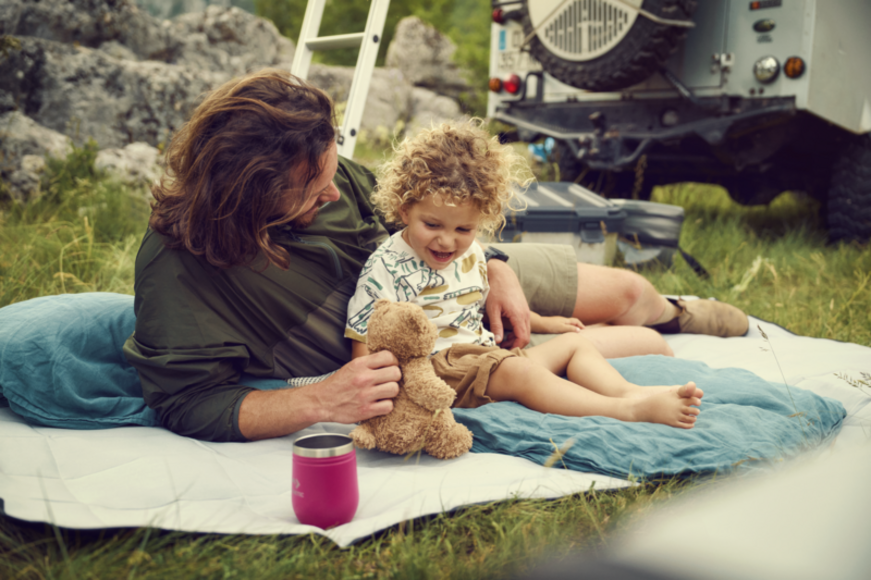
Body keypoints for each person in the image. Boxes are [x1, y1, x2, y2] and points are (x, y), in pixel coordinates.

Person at [123, 68, 746, 442]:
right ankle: (620, 347)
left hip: (453, 271)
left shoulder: (322, 168)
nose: (335, 192)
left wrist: (497, 263)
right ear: (249, 190)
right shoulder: (179, 265)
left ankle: (683, 311)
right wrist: (319, 400)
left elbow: (420, 212)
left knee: (632, 295)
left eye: (332, 173)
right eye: (312, 192)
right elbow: (184, 401)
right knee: (625, 345)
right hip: (425, 329)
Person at [345, 119, 703, 428]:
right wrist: (380, 399)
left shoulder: (470, 253)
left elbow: (476, 298)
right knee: (521, 374)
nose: (447, 241)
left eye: (464, 230)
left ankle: (631, 392)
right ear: (405, 208)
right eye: (432, 224)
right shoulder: (387, 266)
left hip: (482, 356)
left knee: (575, 344)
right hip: (437, 371)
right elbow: (363, 339)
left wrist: (544, 323)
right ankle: (624, 410)